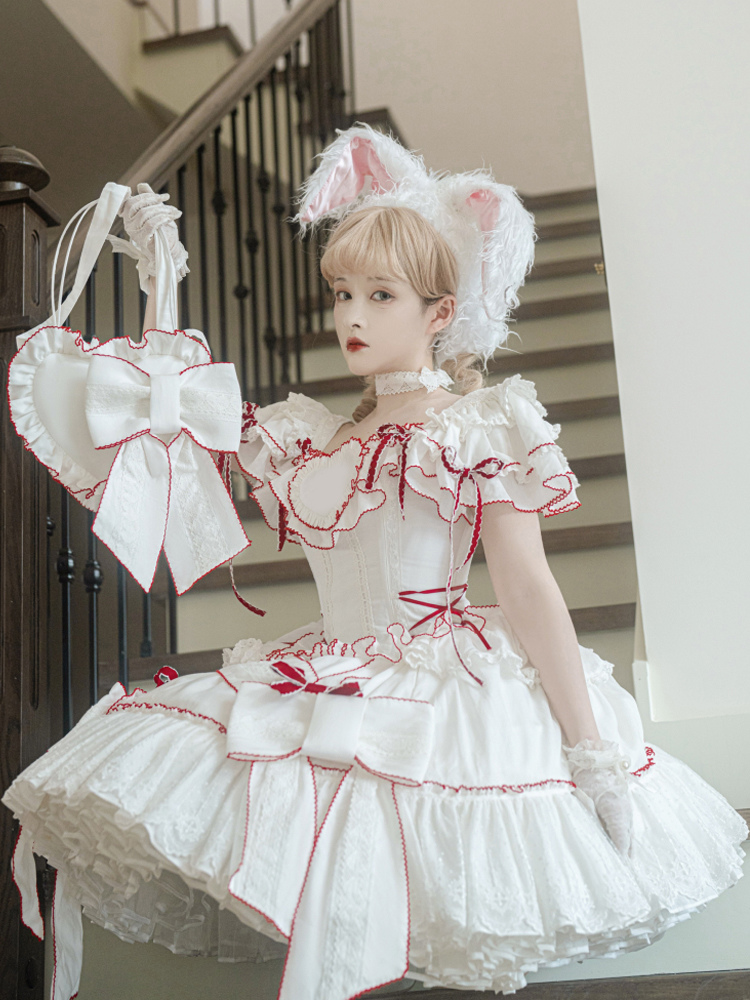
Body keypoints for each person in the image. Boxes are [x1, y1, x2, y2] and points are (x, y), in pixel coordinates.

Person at [3, 127, 747, 1000]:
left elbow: (527, 587)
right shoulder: (304, 434)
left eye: (380, 295)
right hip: (323, 668)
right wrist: (159, 285)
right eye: (342, 292)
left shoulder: (479, 423)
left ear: (439, 313)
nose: (351, 316)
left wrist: (590, 750)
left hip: (442, 684)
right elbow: (160, 439)